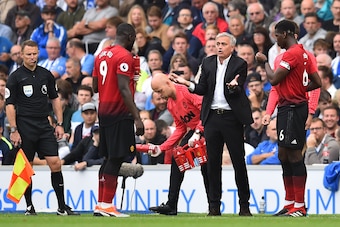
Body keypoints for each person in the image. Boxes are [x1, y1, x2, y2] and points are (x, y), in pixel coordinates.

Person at [172, 32, 253, 216]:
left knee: (238, 162)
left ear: (232, 47)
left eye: (223, 44)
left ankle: (244, 206)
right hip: (212, 118)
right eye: (217, 43)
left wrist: (234, 87)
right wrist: (186, 83)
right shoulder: (208, 63)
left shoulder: (240, 64)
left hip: (232, 118)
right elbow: (201, 89)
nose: (219, 47)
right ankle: (214, 206)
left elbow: (238, 89)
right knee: (212, 164)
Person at [255, 20, 322, 217]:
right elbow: (316, 81)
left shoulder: (292, 54)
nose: (276, 39)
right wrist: (300, 90)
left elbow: (274, 80)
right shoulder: (303, 53)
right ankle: (290, 203)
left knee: (294, 155)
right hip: (287, 108)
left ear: (286, 33)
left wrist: (264, 62)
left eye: (277, 35)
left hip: (294, 108)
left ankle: (300, 206)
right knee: (283, 155)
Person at [5, 40, 79, 215]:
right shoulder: (15, 77)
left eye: (35, 54)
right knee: (27, 166)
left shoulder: (46, 74)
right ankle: (29, 206)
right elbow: (9, 105)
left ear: (39, 53)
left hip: (44, 124)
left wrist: (59, 123)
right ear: (22, 55)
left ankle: (62, 206)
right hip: (25, 126)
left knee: (55, 163)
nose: (32, 57)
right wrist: (14, 130)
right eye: (29, 54)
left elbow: (55, 99)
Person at [92, 23, 144, 217]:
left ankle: (101, 204)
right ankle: (106, 205)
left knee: (108, 158)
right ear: (130, 36)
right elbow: (124, 88)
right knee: (116, 158)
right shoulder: (125, 56)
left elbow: (95, 87)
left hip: (103, 111)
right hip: (119, 113)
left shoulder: (102, 54)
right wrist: (137, 117)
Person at [148, 72, 209, 215]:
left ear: (168, 84)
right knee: (177, 160)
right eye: (156, 92)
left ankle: (213, 205)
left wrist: (198, 132)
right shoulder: (170, 104)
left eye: (160, 91)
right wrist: (162, 148)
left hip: (209, 126)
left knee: (207, 167)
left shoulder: (186, 91)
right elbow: (181, 128)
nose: (159, 96)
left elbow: (205, 110)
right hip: (195, 131)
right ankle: (171, 205)